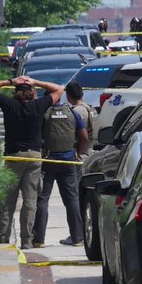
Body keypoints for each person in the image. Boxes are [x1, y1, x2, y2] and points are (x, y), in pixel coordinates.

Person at [0, 75, 65, 247]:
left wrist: (11, 81)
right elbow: (59, 89)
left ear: (16, 93)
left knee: (7, 200)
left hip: (13, 156)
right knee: (30, 201)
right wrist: (35, 81)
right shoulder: (38, 106)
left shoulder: (10, 105)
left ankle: (2, 237)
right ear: (33, 94)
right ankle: (27, 240)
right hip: (34, 157)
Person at [32, 85, 89, 248]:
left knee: (42, 199)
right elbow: (84, 137)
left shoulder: (43, 114)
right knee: (72, 200)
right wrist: (77, 153)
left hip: (48, 161)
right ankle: (78, 238)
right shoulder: (72, 112)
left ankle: (39, 239)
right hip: (68, 161)